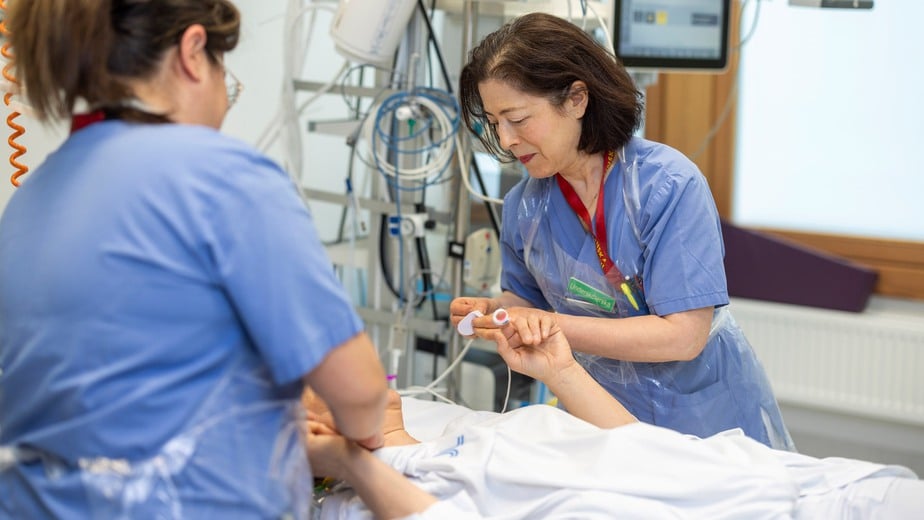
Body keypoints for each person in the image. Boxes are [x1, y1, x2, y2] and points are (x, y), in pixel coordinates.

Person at [0, 1, 388, 518]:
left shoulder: (34, 195)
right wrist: (356, 441)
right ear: (193, 52)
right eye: (226, 76)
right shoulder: (222, 175)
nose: (225, 100)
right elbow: (360, 392)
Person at [449, 11, 793, 449]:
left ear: (576, 99)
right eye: (494, 123)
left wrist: (546, 325)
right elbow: (528, 301)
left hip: (701, 420)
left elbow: (685, 336)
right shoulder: (526, 205)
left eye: (517, 118)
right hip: (597, 417)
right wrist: (497, 312)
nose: (507, 139)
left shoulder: (666, 186)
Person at [305, 310, 924, 520]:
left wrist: (560, 373)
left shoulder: (464, 429)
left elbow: (636, 447)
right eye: (307, 372)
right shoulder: (381, 490)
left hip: (809, 489)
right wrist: (347, 462)